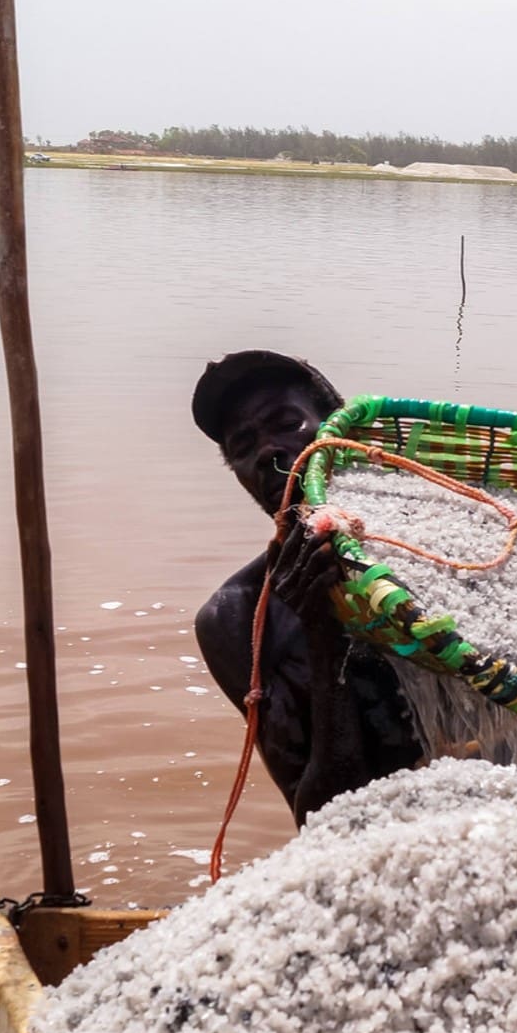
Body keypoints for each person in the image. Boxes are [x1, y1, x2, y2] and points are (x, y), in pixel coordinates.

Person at [191, 351, 425, 825]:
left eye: (286, 424)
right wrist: (323, 634)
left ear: (340, 432)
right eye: (243, 444)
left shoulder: (432, 550)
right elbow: (319, 818)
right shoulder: (234, 619)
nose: (267, 451)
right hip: (379, 849)